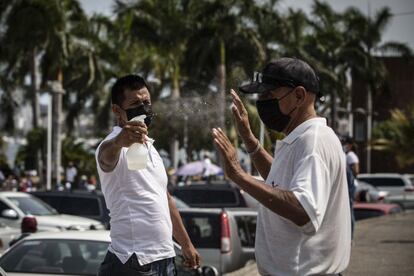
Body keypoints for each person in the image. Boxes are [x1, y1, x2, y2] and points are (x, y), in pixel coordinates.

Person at [212, 57, 351, 275]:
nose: (262, 102)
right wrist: (249, 140)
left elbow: (303, 210)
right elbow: (279, 181)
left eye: (269, 94)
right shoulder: (301, 137)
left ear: (299, 95)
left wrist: (239, 175)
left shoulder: (312, 141)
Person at [96, 74, 200, 276]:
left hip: (165, 258)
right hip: (133, 259)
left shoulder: (151, 148)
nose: (143, 108)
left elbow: (166, 199)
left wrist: (186, 244)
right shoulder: (112, 145)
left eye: (146, 102)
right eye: (135, 103)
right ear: (117, 110)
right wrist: (119, 141)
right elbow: (104, 159)